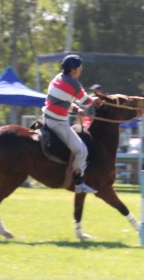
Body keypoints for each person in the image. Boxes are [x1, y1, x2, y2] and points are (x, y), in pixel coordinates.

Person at [42, 54, 102, 194]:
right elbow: (86, 101)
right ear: (74, 69)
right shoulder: (74, 83)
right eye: (80, 68)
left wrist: (75, 108)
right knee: (82, 151)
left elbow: (61, 100)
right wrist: (97, 99)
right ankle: (78, 184)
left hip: (46, 118)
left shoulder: (57, 78)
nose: (81, 70)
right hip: (58, 123)